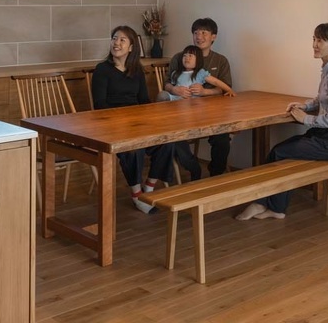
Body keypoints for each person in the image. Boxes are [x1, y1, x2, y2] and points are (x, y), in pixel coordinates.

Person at [236, 22, 328, 221]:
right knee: (280, 151)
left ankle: (268, 205)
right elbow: (323, 100)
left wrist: (306, 119)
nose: (315, 44)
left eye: (320, 40)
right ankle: (270, 205)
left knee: (280, 152)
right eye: (314, 39)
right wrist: (305, 106)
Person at [91, 25, 174, 213]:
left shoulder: (137, 70)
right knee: (134, 148)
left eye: (122, 40)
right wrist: (124, 119)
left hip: (137, 122)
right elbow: (99, 105)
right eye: (114, 38)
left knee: (166, 142)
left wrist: (152, 117)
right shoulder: (102, 69)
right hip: (112, 124)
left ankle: (149, 188)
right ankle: (136, 194)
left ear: (131, 47)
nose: (116, 43)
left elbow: (143, 100)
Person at [163, 18, 234, 176]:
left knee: (222, 137)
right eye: (196, 33)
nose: (199, 37)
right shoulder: (180, 57)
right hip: (182, 111)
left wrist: (205, 92)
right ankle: (193, 167)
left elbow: (225, 88)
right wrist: (174, 89)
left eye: (204, 32)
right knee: (173, 135)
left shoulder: (220, 60)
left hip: (212, 113)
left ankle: (215, 175)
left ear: (213, 36)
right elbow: (166, 83)